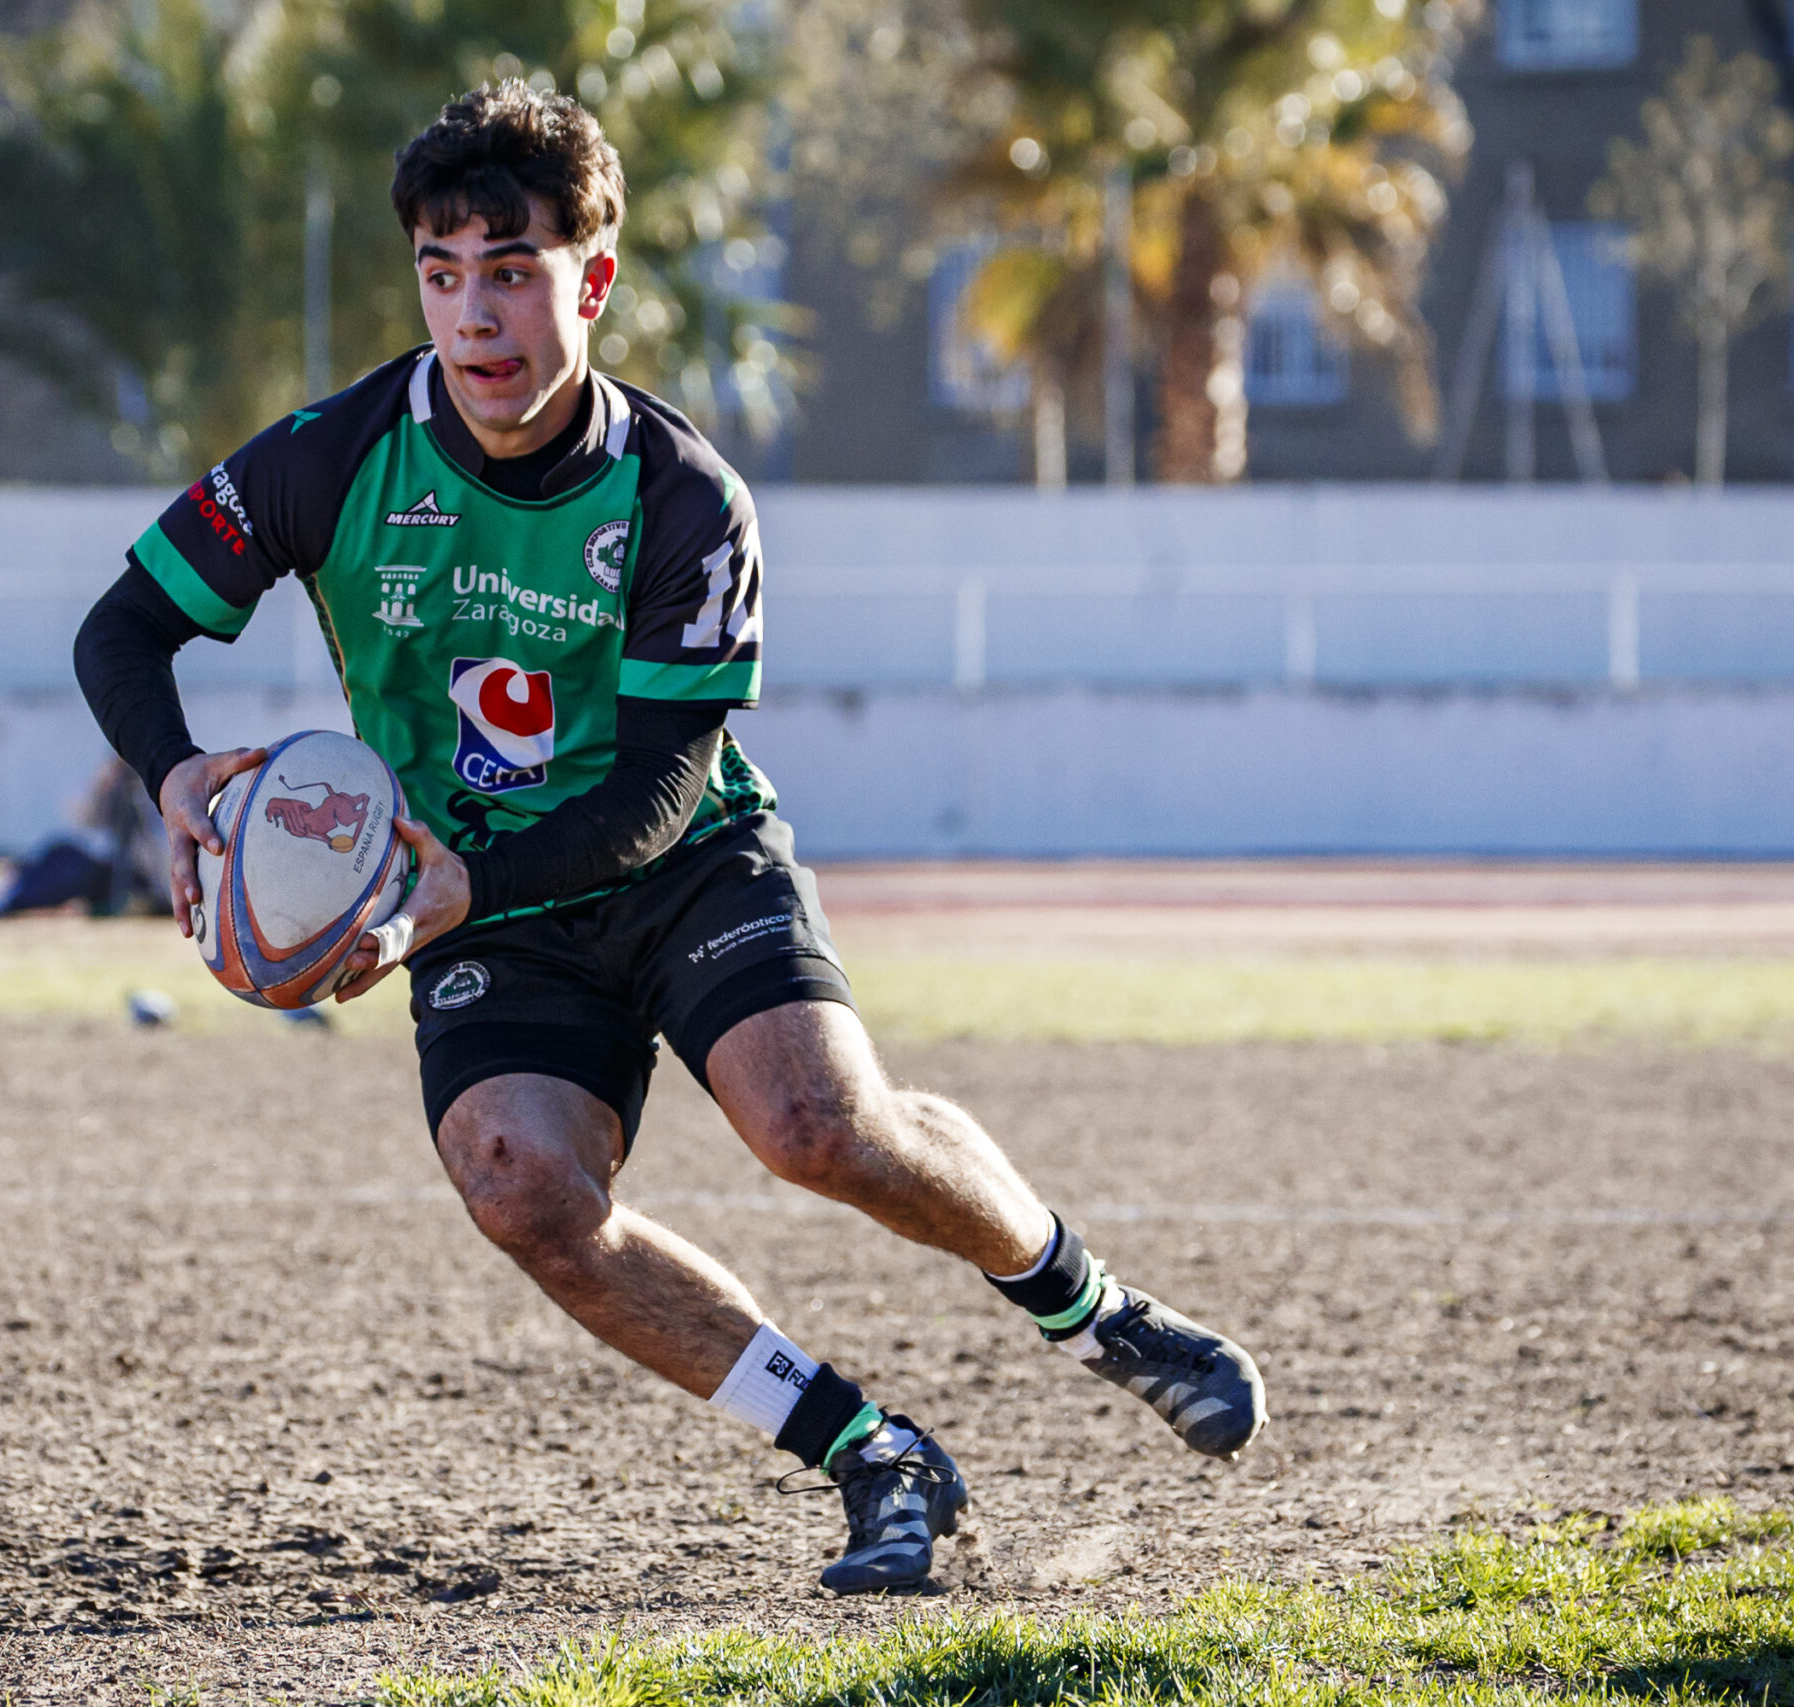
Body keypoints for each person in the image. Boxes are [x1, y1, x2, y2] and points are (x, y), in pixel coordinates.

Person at [75, 82, 1264, 1594]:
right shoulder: (331, 456)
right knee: (520, 1182)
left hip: (675, 856)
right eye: (441, 274)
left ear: (593, 277)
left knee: (818, 1128)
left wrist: (451, 887)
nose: (473, 314)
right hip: (479, 899)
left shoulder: (684, 497)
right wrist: (175, 774)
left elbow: (647, 793)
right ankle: (864, 1445)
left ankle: (1091, 1305)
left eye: (510, 270)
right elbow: (125, 626)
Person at [0, 756, 172, 920]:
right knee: (62, 853)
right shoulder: (125, 782)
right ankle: (3, 897)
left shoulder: (167, 783)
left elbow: (162, 853)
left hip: (148, 884)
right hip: (119, 876)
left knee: (72, 867)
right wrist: (107, 782)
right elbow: (82, 819)